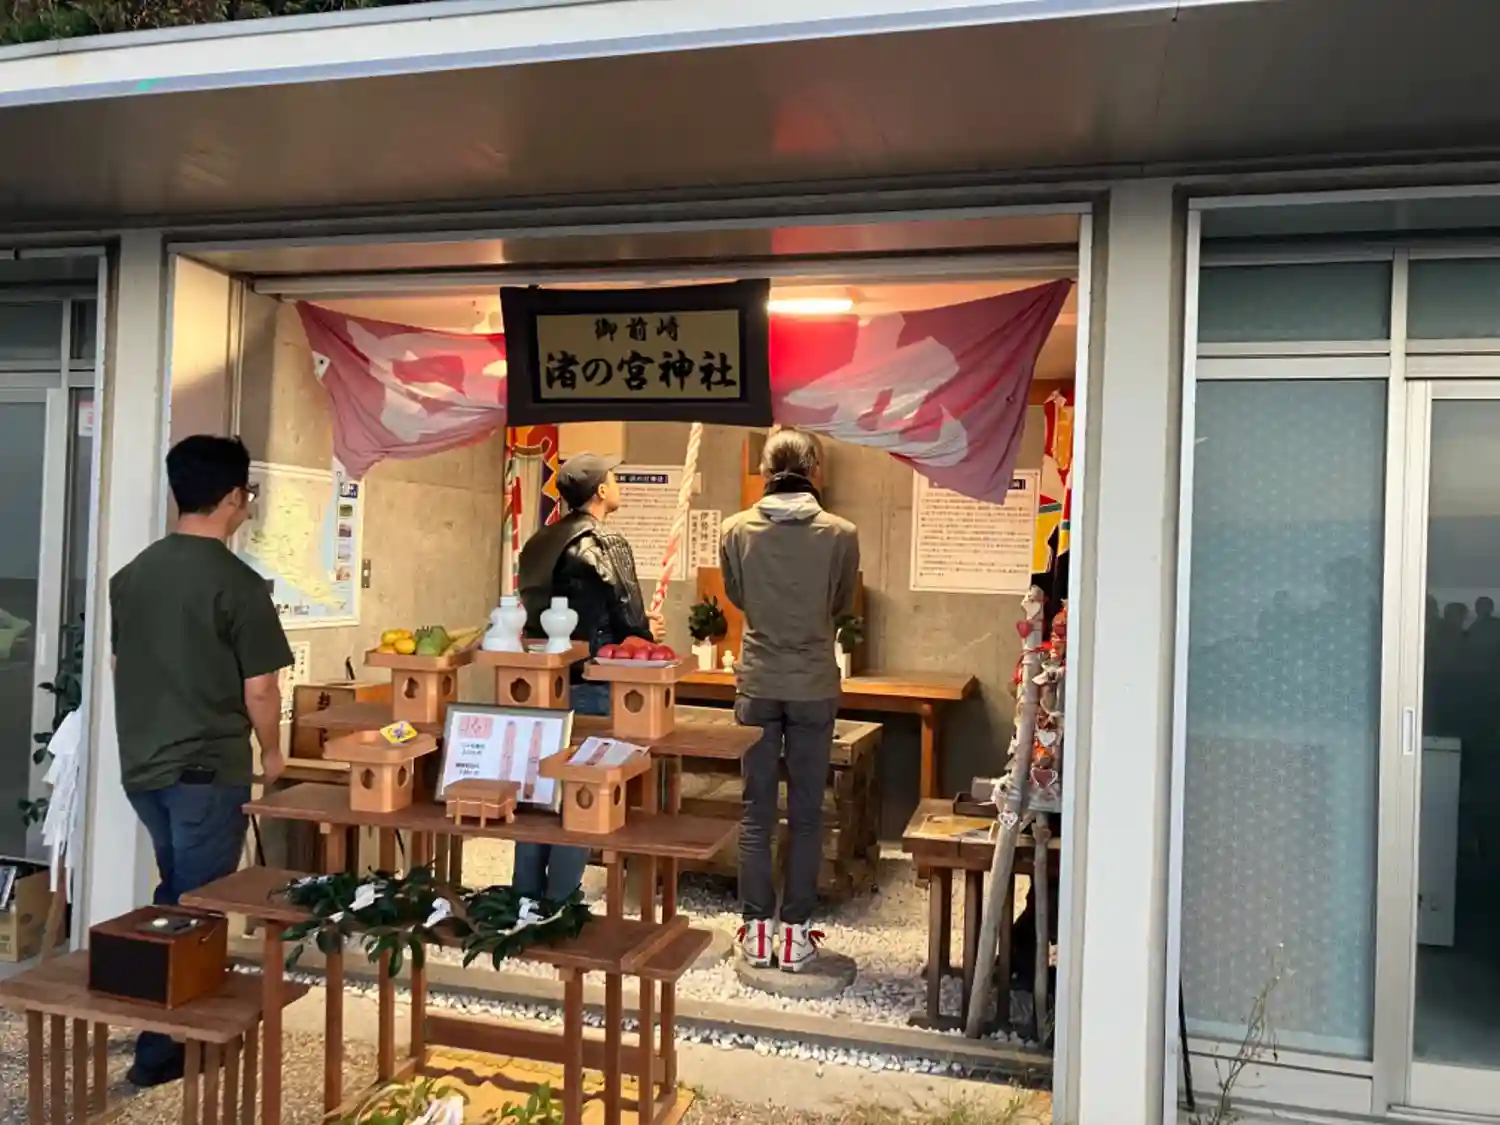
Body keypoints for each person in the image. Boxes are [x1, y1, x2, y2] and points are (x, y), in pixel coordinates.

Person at [110, 435, 292, 1087]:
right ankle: (162, 1048)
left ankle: (158, 1015)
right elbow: (261, 688)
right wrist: (273, 752)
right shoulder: (236, 583)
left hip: (144, 770)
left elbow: (120, 665)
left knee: (175, 891)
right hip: (206, 772)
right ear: (235, 496)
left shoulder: (132, 575)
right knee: (197, 906)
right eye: (249, 495)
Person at [720, 428, 859, 972]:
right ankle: (796, 934)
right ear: (814, 470)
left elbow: (737, 595)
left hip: (757, 678)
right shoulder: (841, 534)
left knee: (756, 811)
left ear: (763, 471)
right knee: (805, 813)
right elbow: (840, 601)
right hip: (813, 683)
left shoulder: (735, 530)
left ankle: (757, 932)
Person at [515, 452, 661, 901]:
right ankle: (562, 900)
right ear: (600, 490)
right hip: (592, 682)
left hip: (542, 680)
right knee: (584, 792)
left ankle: (524, 897)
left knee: (539, 789)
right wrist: (648, 633)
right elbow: (629, 621)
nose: (617, 485)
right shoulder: (605, 541)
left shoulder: (538, 541)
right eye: (613, 478)